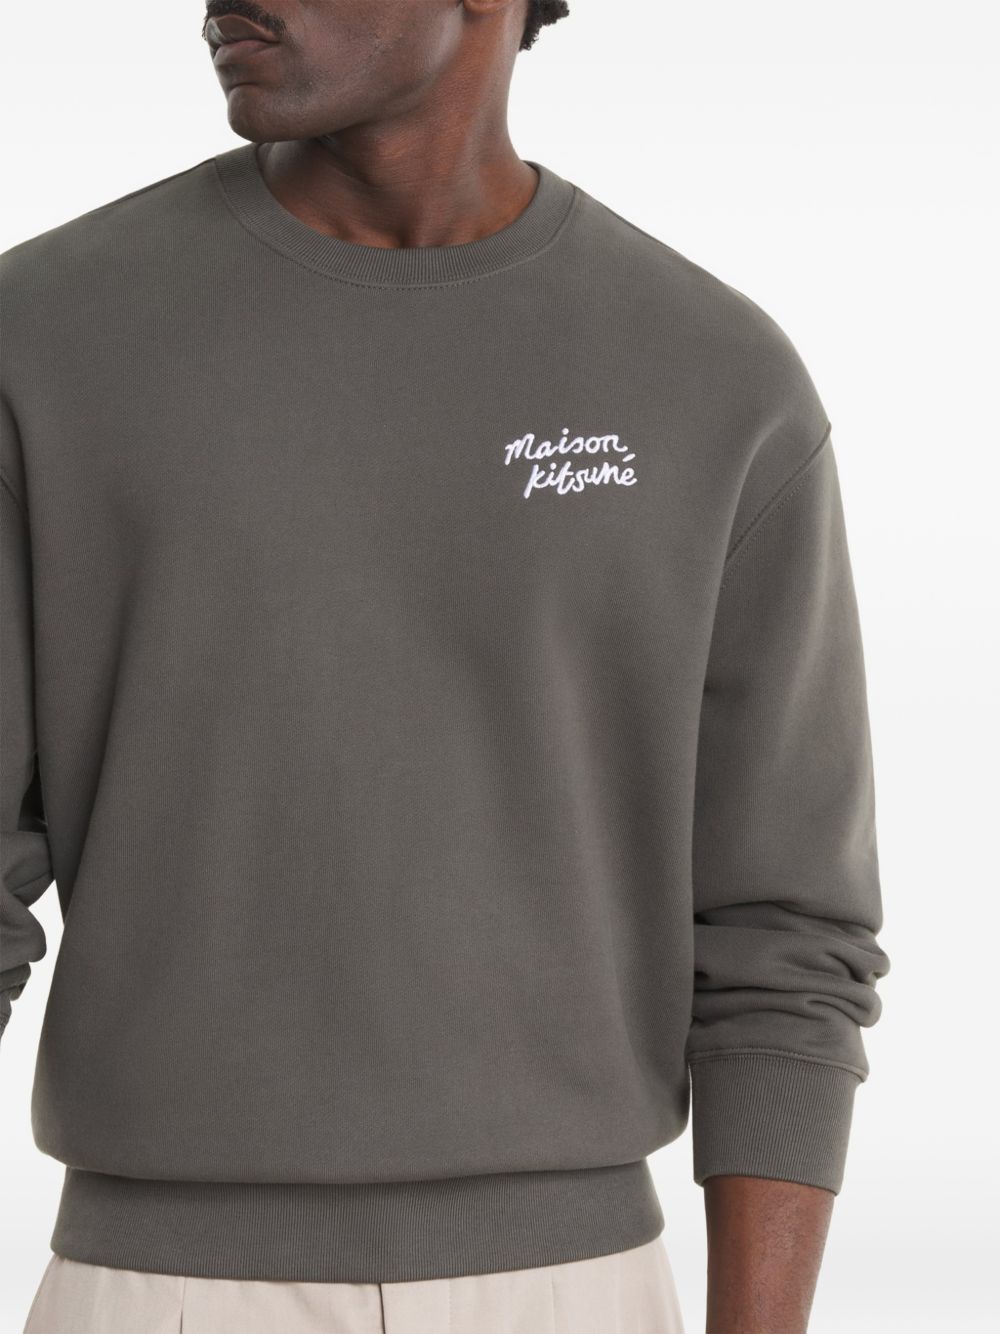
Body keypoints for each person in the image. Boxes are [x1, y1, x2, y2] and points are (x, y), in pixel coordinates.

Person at [0, 2, 891, 1331]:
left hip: (579, 1291)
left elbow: (787, 939)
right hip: (151, 1287)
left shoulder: (715, 378)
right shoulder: (46, 336)